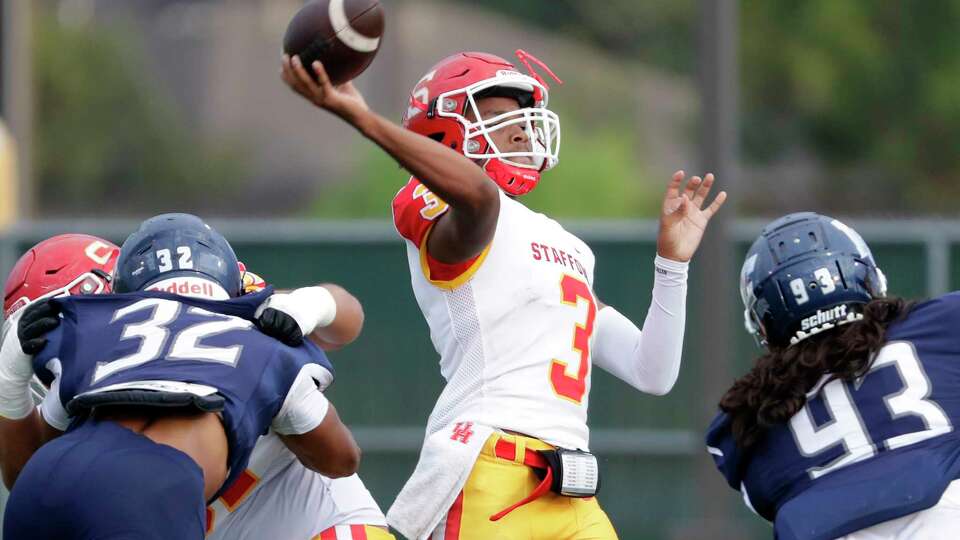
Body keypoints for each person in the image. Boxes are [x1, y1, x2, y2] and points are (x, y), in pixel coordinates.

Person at [281, 50, 726, 539]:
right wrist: (366, 121)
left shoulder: (567, 245)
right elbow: (478, 199)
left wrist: (672, 265)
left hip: (573, 491)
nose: (520, 129)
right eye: (496, 117)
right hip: (488, 472)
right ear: (442, 135)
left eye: (521, 116)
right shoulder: (446, 208)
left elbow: (652, 372)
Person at [0, 234, 393, 539]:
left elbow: (346, 322)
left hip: (314, 523)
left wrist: (314, 304)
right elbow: (33, 480)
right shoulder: (91, 389)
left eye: (59, 334)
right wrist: (9, 380)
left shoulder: (225, 310)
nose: (53, 366)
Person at [707, 212, 960, 540]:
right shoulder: (942, 326)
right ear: (868, 279)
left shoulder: (746, 419)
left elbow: (773, 502)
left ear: (764, 324)